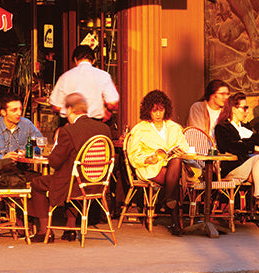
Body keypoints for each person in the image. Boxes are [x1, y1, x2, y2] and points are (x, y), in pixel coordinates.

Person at [28, 93, 114, 242]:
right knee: (71, 176)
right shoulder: (104, 129)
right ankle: (70, 229)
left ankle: (44, 231)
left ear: (69, 109)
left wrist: (51, 152)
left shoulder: (68, 131)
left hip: (75, 185)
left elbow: (55, 162)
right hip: (97, 184)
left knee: (37, 183)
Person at [124, 89, 191, 236]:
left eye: (161, 110)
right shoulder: (140, 129)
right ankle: (173, 216)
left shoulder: (174, 127)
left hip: (172, 165)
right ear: (148, 111)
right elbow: (133, 154)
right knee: (173, 179)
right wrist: (148, 158)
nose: (158, 114)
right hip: (150, 166)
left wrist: (180, 150)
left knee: (176, 160)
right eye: (155, 111)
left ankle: (167, 201)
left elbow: (184, 146)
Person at [213, 93, 259, 230]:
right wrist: (251, 146)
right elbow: (229, 146)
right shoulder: (222, 127)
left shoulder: (245, 127)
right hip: (232, 168)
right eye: (244, 108)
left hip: (249, 167)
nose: (247, 111)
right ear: (234, 109)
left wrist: (244, 143)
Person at [0, 94, 44, 188]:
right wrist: (2, 157)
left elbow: (40, 145)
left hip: (20, 170)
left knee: (42, 181)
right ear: (3, 112)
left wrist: (28, 152)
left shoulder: (26, 124)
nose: (19, 113)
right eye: (14, 110)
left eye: (20, 109)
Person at [48, 45, 120, 123]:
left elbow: (56, 106)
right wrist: (105, 108)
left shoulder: (65, 77)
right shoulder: (104, 76)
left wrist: (67, 109)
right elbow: (113, 103)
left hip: (71, 125)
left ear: (75, 59)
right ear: (94, 60)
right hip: (95, 124)